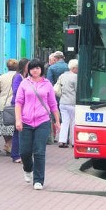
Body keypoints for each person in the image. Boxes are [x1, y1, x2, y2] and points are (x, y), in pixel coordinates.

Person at [14, 58, 61, 190]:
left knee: (39, 151)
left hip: (42, 121)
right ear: (29, 70)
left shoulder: (47, 84)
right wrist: (18, 120)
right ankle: (28, 169)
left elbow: (53, 104)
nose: (35, 70)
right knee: (24, 152)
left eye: (38, 68)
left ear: (41, 70)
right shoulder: (24, 84)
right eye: (33, 68)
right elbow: (19, 102)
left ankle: (38, 180)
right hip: (26, 121)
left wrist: (57, 121)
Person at [0, 58, 18, 155]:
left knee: (4, 127)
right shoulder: (19, 77)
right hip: (14, 105)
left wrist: (0, 98)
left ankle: (8, 143)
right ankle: (9, 145)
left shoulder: (2, 76)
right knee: (13, 127)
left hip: (3, 105)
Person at [9, 58, 29, 163]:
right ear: (24, 66)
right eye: (28, 65)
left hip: (26, 106)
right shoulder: (18, 77)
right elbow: (16, 91)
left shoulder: (27, 77)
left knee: (22, 131)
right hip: (18, 106)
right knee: (17, 130)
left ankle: (20, 153)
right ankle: (15, 155)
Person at [56, 59, 78, 148]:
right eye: (77, 68)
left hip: (62, 102)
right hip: (72, 102)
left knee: (64, 122)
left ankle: (62, 141)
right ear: (74, 68)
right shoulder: (75, 77)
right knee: (73, 122)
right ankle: (73, 141)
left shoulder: (62, 75)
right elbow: (77, 90)